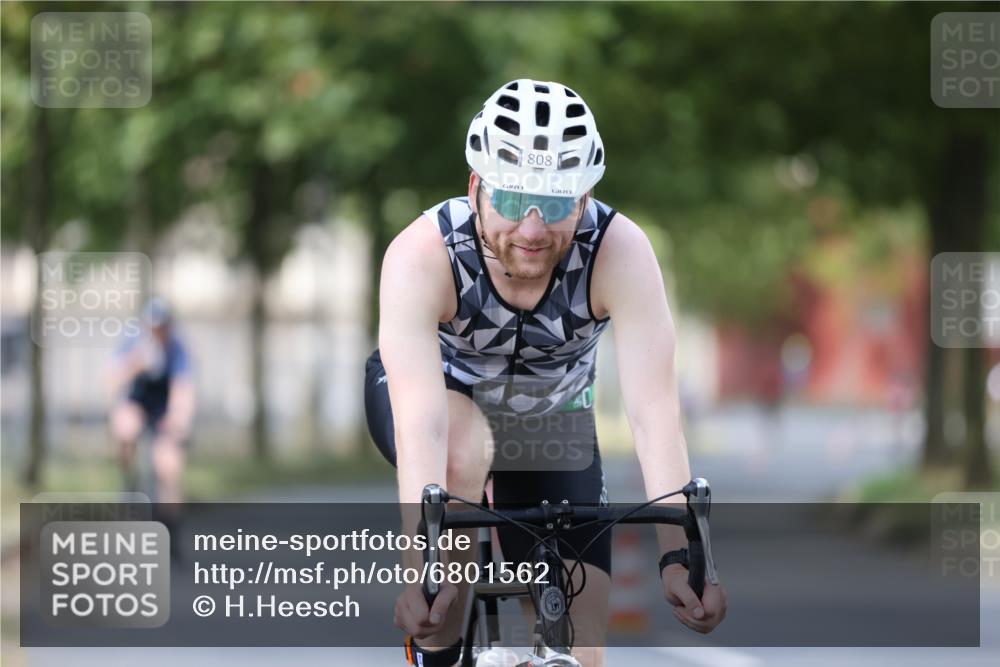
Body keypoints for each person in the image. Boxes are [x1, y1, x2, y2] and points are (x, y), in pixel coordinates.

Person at [364, 79, 726, 667]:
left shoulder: (619, 252)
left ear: (584, 200)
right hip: (441, 404)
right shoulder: (422, 254)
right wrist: (421, 571)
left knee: (583, 653)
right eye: (511, 201)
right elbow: (422, 419)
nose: (532, 230)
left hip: (551, 419)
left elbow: (653, 410)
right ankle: (440, 639)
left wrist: (679, 556)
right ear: (476, 186)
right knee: (457, 470)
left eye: (556, 204)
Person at [108, 297, 195, 506]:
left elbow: (183, 388)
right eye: (153, 327)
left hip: (164, 408)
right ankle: (129, 483)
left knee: (168, 466)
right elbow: (111, 380)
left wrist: (178, 420)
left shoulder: (177, 349)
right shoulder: (133, 344)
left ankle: (170, 525)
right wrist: (134, 365)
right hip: (138, 403)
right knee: (124, 426)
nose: (157, 332)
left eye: (161, 327)